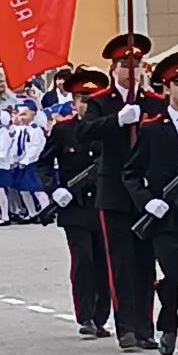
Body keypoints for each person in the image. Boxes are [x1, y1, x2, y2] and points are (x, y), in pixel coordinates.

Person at [76, 33, 167, 352]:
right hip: (114, 190)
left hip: (145, 191)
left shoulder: (154, 102)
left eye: (136, 64)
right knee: (120, 262)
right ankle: (125, 327)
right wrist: (117, 120)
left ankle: (145, 327)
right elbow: (84, 132)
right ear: (114, 69)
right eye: (125, 65)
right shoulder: (101, 101)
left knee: (146, 263)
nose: (132, 70)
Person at [122, 53, 178, 355]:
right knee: (172, 276)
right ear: (166, 89)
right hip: (167, 216)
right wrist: (147, 201)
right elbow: (131, 173)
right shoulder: (152, 128)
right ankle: (169, 323)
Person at [38, 69, 111, 340]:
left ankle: (101, 317)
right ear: (74, 102)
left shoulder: (107, 130)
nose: (86, 106)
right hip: (75, 207)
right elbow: (43, 164)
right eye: (82, 100)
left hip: (103, 204)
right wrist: (54, 190)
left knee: (104, 262)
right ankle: (86, 316)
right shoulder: (63, 130)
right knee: (83, 261)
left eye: (91, 100)